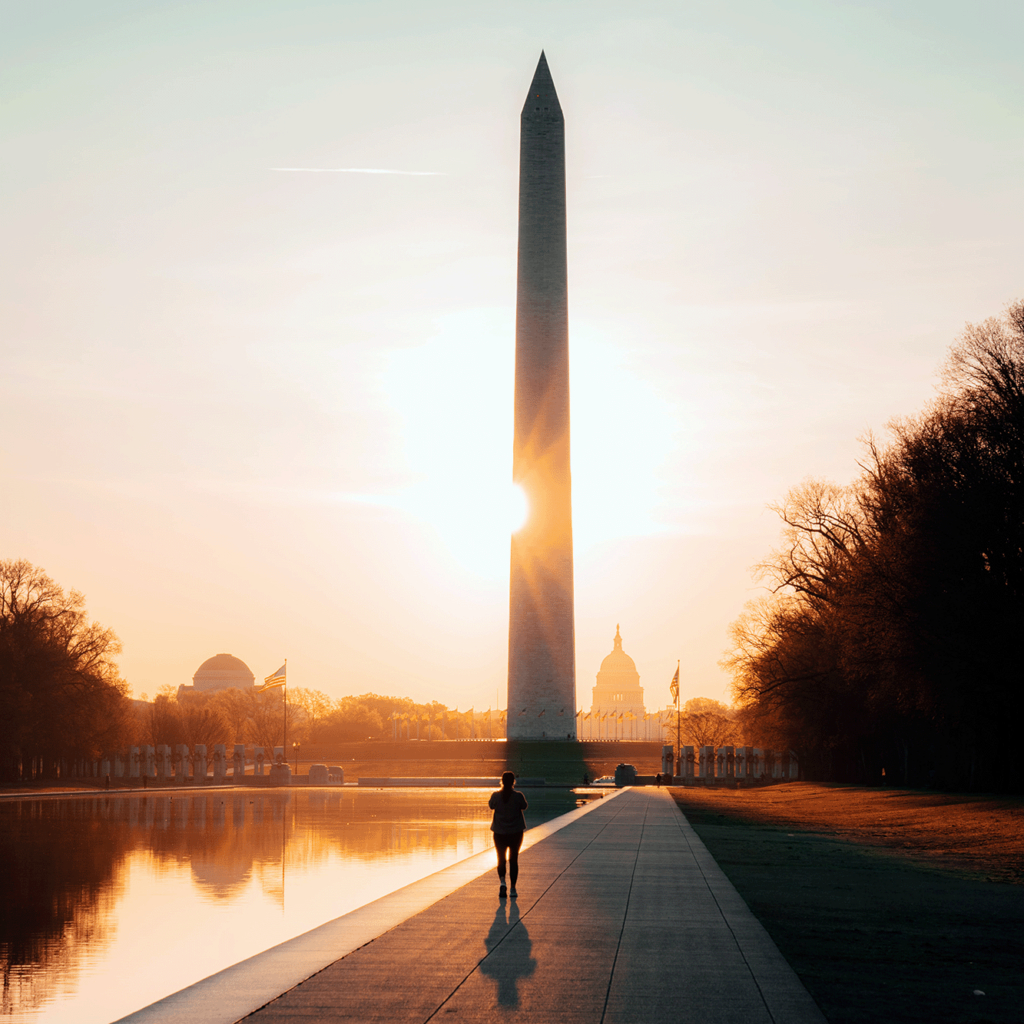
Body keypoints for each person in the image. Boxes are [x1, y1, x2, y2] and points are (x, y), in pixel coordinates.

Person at [488, 771, 527, 899]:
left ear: (502, 781)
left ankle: (502, 881)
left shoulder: (495, 796)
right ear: (513, 782)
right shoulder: (518, 796)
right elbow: (524, 806)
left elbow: (491, 806)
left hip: (499, 832)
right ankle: (513, 888)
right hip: (515, 832)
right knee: (513, 860)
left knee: (501, 859)